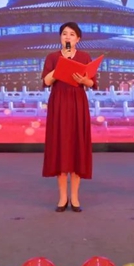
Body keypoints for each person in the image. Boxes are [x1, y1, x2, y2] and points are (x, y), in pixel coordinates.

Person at [42, 22, 96, 212]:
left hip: (77, 102)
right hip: (58, 103)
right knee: (60, 146)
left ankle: (75, 197)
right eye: (64, 34)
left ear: (78, 39)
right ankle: (62, 198)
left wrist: (84, 80)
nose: (67, 37)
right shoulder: (52, 57)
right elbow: (46, 81)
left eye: (72, 34)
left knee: (76, 147)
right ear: (60, 37)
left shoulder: (84, 57)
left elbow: (91, 83)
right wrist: (60, 66)